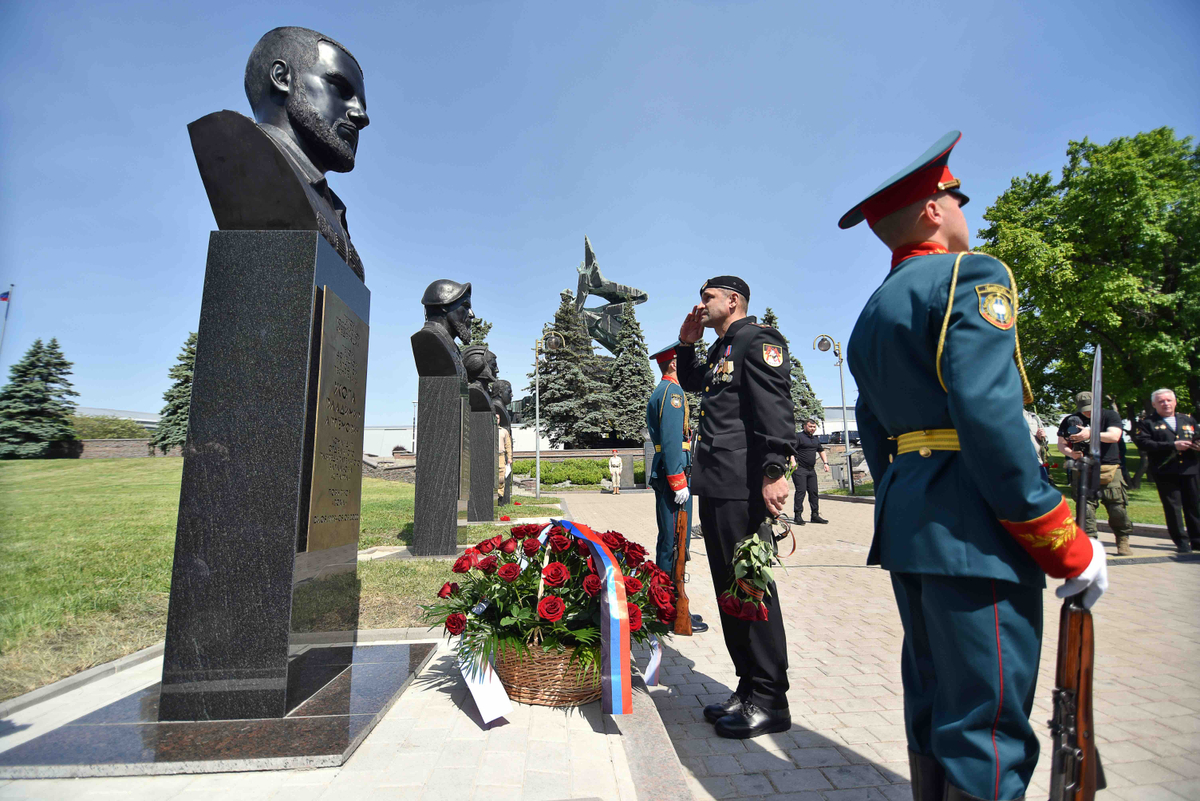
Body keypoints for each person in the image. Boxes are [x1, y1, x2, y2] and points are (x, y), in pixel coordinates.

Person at [839, 131, 1107, 801]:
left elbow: (878, 433)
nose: (965, 211)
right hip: (974, 530)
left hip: (911, 526)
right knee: (987, 725)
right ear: (935, 208)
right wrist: (1064, 543)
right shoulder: (973, 275)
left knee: (934, 700)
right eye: (958, 198)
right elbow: (990, 420)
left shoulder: (872, 313)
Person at [676, 276, 796, 739]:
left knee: (751, 587)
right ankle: (748, 686)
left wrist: (773, 470)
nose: (701, 304)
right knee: (731, 590)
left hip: (745, 485)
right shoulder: (720, 348)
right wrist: (688, 344)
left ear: (733, 301)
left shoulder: (758, 340)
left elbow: (773, 407)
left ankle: (771, 699)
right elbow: (692, 383)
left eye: (707, 298)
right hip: (719, 483)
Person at [191, 27, 370, 280]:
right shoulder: (247, 158)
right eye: (341, 90)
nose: (361, 116)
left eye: (362, 104)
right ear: (282, 78)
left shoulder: (335, 209)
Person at [646, 342, 707, 633]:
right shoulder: (672, 393)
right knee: (674, 543)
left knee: (670, 540)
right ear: (673, 364)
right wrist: (677, 479)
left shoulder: (665, 390)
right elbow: (671, 439)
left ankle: (663, 605)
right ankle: (669, 609)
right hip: (675, 476)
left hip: (671, 472)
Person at [1057, 392, 1134, 555]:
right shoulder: (1071, 420)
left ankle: (1122, 539)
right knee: (1086, 510)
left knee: (1117, 508)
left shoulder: (1110, 415)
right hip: (1083, 470)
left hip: (1109, 468)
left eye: (1090, 408)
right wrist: (1071, 453)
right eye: (1084, 409)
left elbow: (1114, 436)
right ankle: (1089, 543)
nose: (1088, 412)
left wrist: (1091, 434)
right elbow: (1061, 443)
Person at [1133, 388, 1200, 553]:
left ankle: (1197, 540)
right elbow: (1143, 443)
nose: (1166, 404)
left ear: (1175, 402)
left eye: (1169, 400)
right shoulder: (1147, 423)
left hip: (1190, 469)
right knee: (1173, 508)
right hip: (1166, 470)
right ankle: (1182, 543)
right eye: (1161, 401)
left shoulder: (1187, 420)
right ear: (1154, 404)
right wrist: (1172, 445)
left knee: (1194, 506)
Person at [789, 419, 829, 524]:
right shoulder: (798, 437)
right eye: (810, 426)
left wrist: (826, 463)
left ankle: (815, 515)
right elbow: (791, 451)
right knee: (801, 491)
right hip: (799, 468)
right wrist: (792, 462)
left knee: (814, 492)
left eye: (814, 427)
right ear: (805, 426)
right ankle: (798, 515)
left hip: (811, 470)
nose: (812, 429)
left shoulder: (815, 439)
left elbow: (821, 450)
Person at [497, 414, 512, 506]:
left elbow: (508, 445)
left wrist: (509, 457)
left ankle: (500, 497)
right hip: (490, 456)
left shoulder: (503, 431)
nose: (496, 419)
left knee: (501, 476)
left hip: (500, 456)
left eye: (498, 418)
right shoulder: (487, 429)